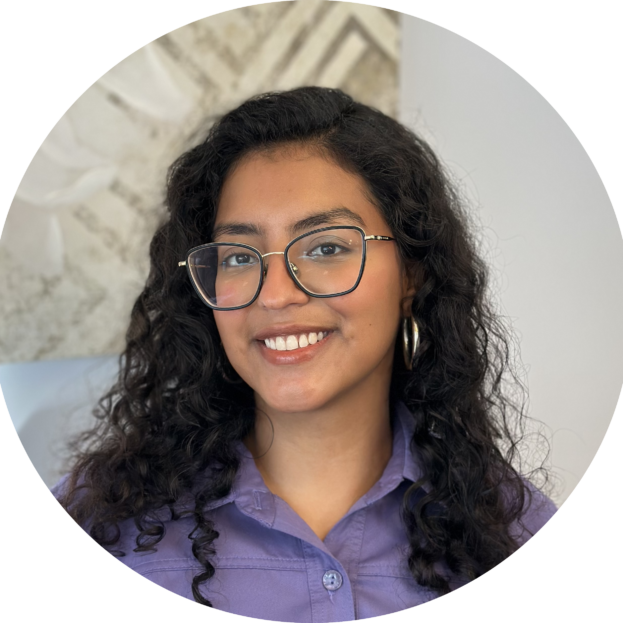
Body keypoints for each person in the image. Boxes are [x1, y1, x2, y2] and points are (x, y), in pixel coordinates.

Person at [51, 87, 557, 619]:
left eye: (326, 248)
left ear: (412, 274)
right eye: (240, 256)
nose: (274, 294)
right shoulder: (103, 522)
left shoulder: (511, 533)